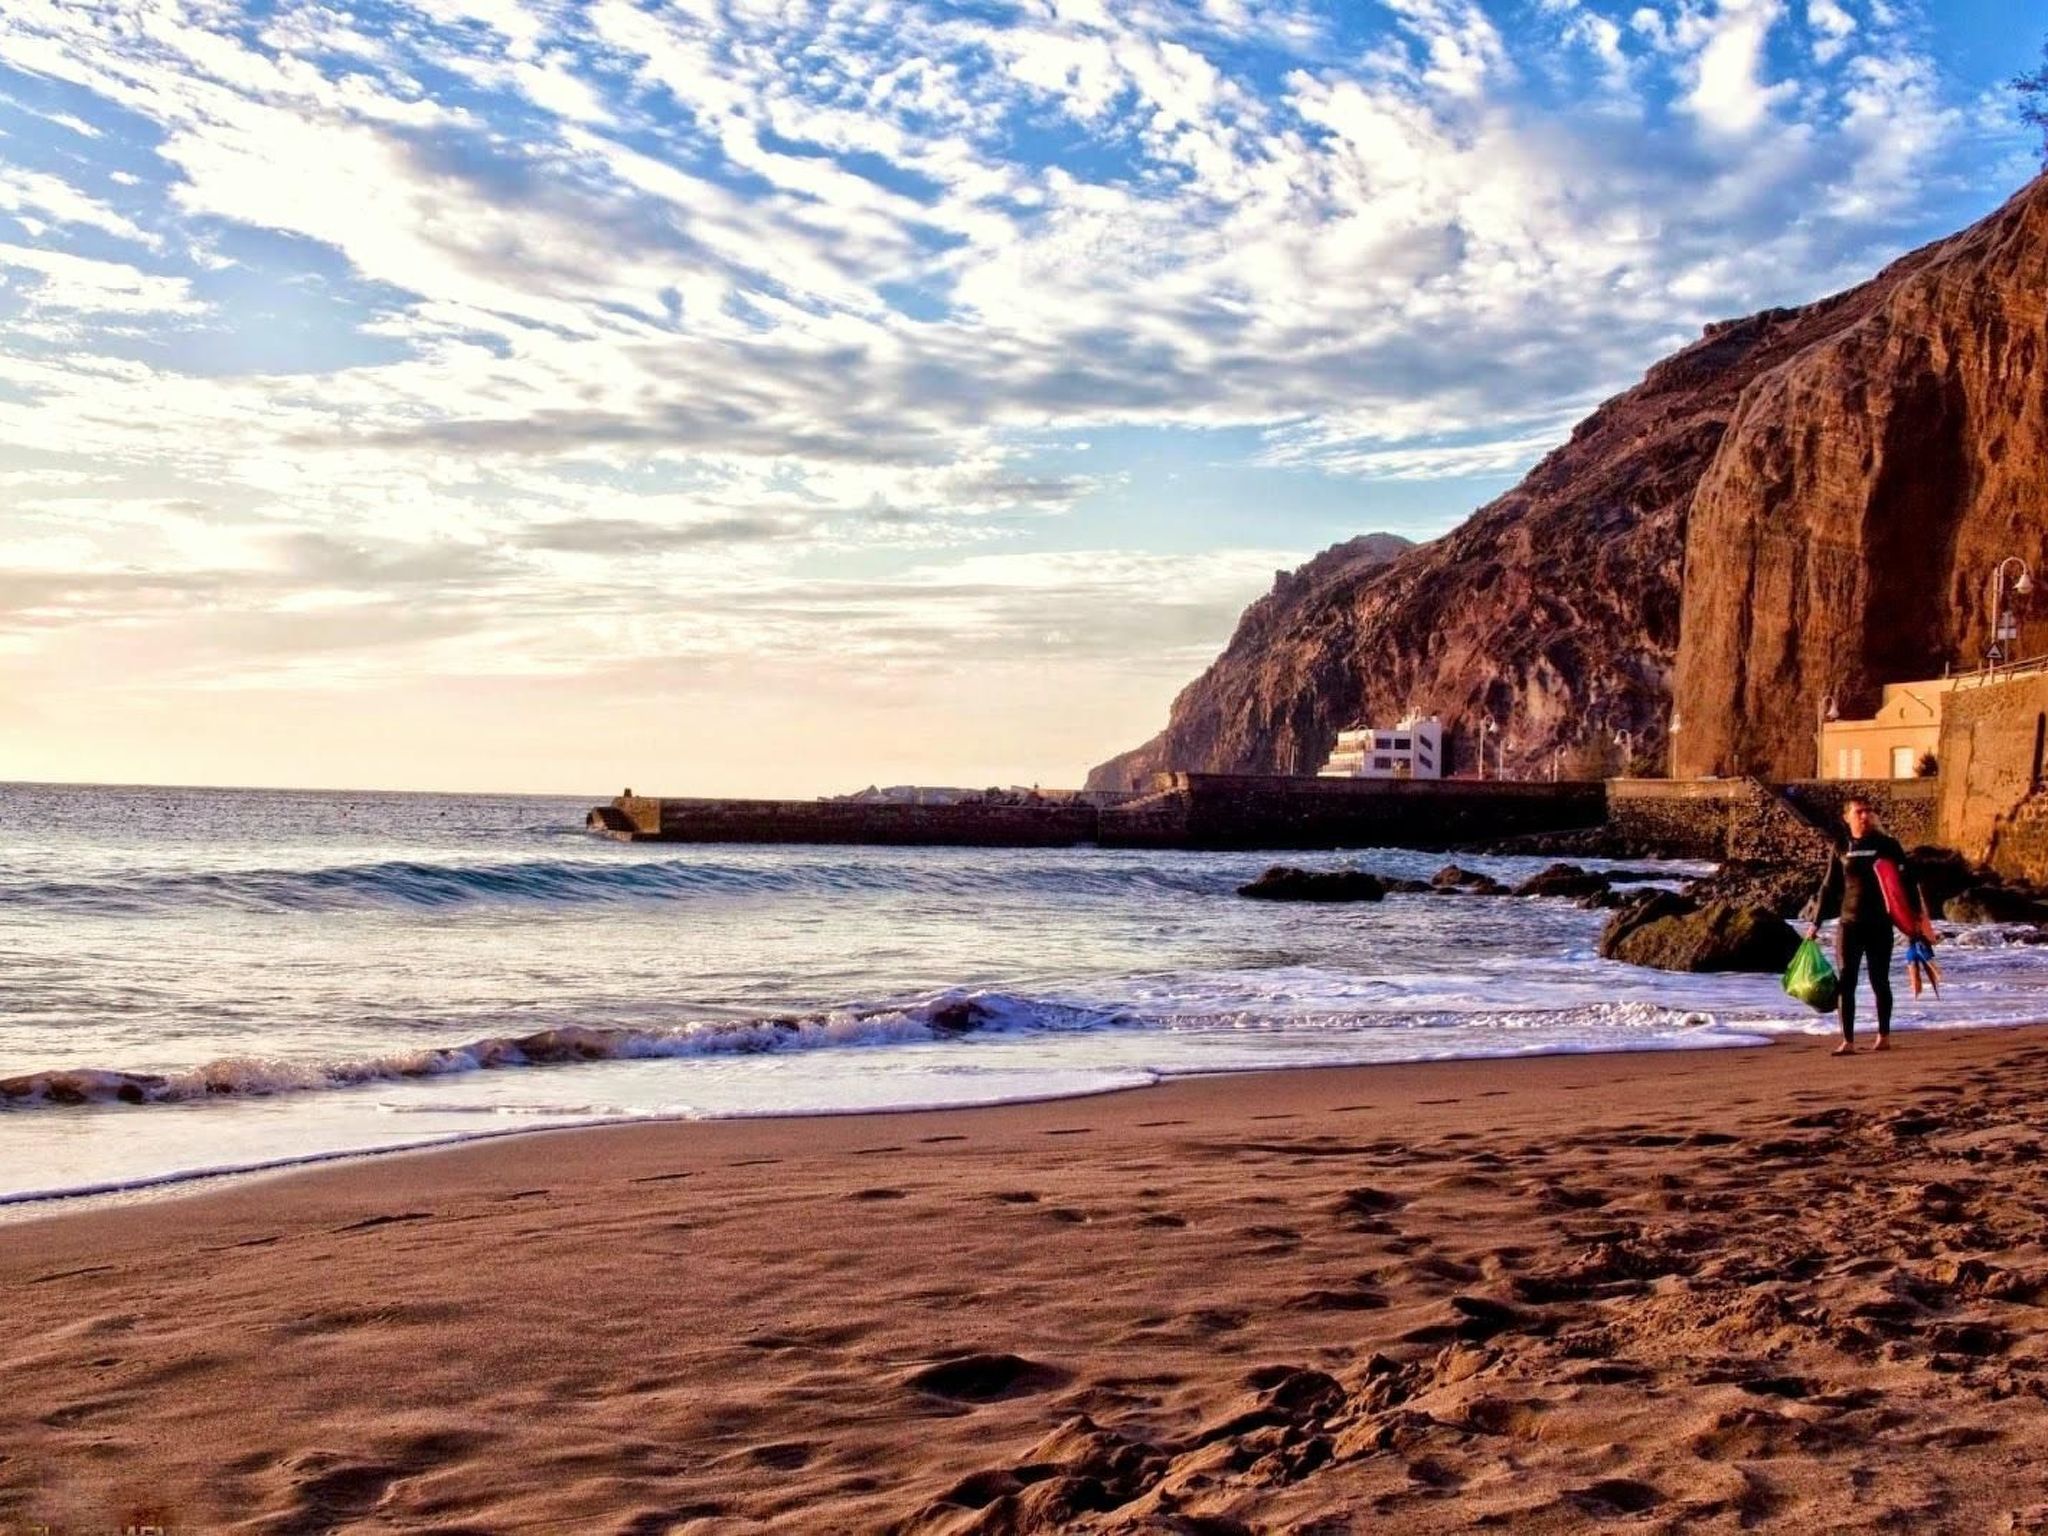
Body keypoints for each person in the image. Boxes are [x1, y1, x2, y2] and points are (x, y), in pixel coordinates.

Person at [1807, 796, 1919, 1056]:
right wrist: (1816, 922)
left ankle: (1884, 1036)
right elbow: (1829, 886)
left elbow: (1908, 883)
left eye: (1869, 811)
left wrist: (1915, 919)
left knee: (1880, 980)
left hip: (1880, 923)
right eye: (1859, 812)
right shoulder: (1841, 846)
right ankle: (1848, 1040)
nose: (1865, 816)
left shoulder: (1887, 845)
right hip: (1849, 924)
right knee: (1847, 981)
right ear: (1847, 817)